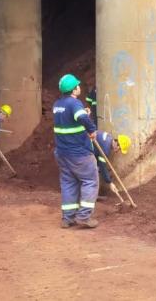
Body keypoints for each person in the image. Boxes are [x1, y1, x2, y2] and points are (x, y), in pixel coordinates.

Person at [53, 73, 99, 229]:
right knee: (90, 181)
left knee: (68, 183)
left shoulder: (58, 105)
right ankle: (84, 216)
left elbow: (71, 119)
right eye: (77, 85)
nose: (80, 87)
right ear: (74, 89)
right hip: (78, 152)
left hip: (62, 152)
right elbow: (81, 118)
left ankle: (68, 218)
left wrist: (83, 113)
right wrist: (92, 129)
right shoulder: (74, 104)